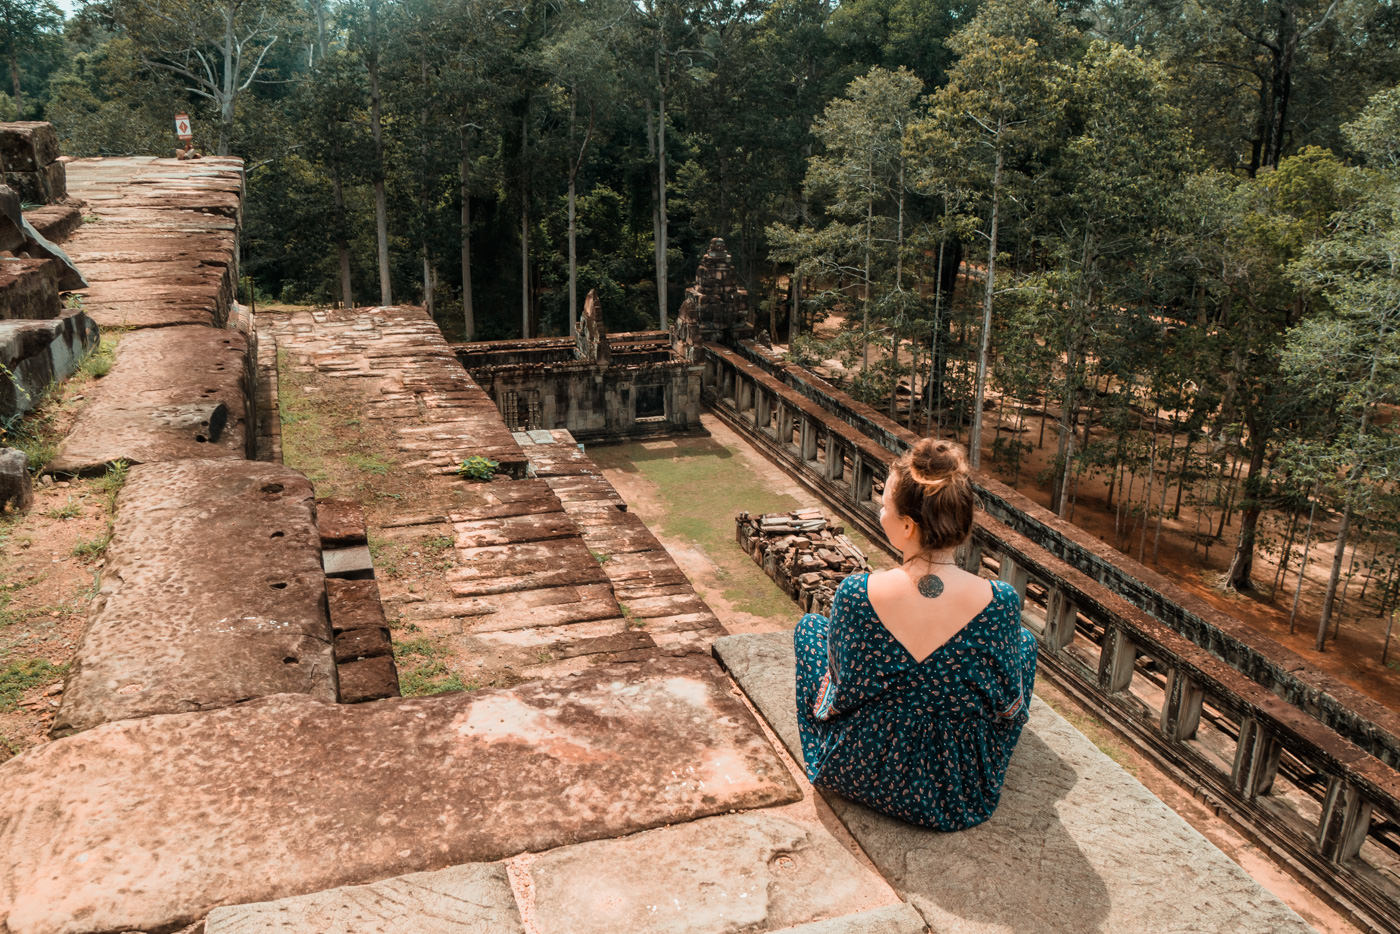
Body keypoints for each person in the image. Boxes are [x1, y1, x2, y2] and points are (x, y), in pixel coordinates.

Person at [794, 437, 1037, 830]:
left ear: (907, 525)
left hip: (860, 768)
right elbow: (1010, 707)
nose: (880, 510)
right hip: (957, 792)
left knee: (810, 629)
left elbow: (836, 699)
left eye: (884, 504)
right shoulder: (1000, 602)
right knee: (1025, 642)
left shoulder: (857, 594)